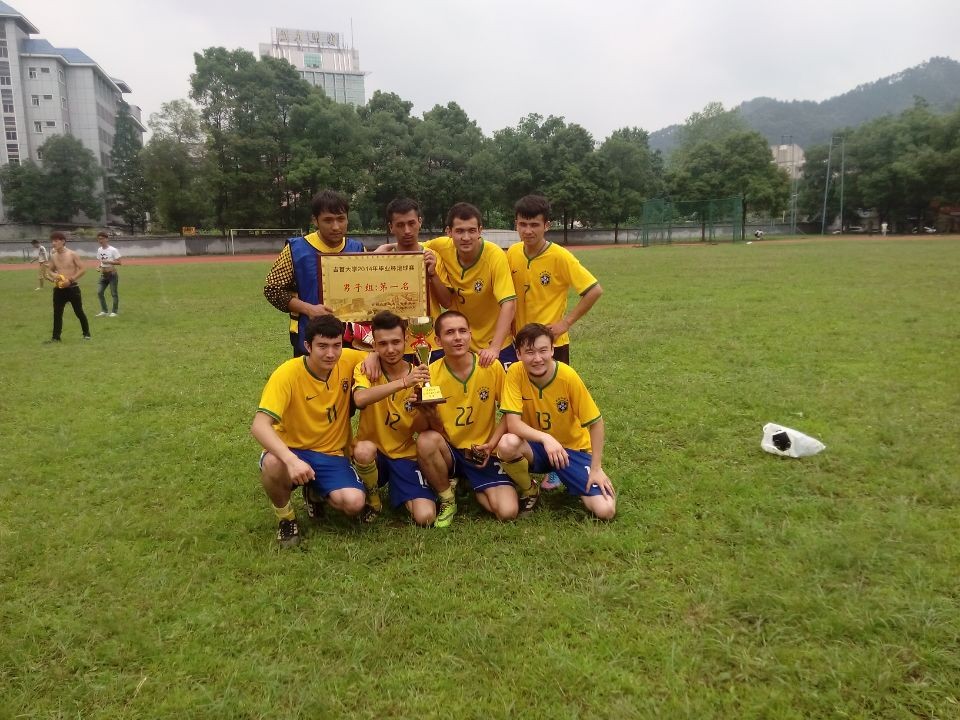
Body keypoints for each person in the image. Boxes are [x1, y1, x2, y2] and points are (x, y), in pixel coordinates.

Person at [251, 314, 370, 547]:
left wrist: (373, 357)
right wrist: (291, 460)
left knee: (354, 503)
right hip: (291, 450)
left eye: (336, 346)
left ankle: (315, 491)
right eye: (322, 346)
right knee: (273, 463)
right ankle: (286, 519)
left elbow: (380, 354)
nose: (330, 354)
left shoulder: (348, 359)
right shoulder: (287, 373)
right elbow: (259, 425)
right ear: (307, 346)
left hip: (331, 453)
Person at [415, 310, 539, 528]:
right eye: (450, 332)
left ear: (470, 335)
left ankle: (471, 483)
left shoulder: (490, 367)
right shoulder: (429, 374)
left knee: (507, 512)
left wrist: (491, 444)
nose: (458, 337)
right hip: (449, 451)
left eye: (463, 331)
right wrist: (428, 412)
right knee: (426, 441)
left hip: (482, 451)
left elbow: (510, 412)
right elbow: (421, 428)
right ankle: (447, 497)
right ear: (437, 341)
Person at [499, 323, 617, 520]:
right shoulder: (515, 372)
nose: (537, 358)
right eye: (529, 352)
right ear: (518, 354)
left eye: (543, 350)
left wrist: (596, 468)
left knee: (605, 510)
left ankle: (565, 473)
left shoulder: (567, 376)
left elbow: (596, 423)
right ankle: (530, 489)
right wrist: (546, 439)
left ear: (553, 350)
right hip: (537, 448)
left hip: (572, 450)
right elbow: (513, 424)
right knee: (507, 444)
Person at [352, 311, 435, 525]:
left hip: (404, 454)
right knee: (363, 450)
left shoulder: (419, 374)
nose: (390, 350)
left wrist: (424, 410)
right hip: (373, 455)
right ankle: (373, 500)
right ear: (374, 345)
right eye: (383, 344)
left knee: (425, 517)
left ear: (406, 340)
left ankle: (402, 487)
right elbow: (360, 399)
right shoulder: (367, 368)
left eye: (396, 342)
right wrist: (403, 383)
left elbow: (422, 428)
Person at [263, 189, 366, 356]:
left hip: (351, 338)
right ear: (315, 220)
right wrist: (309, 309)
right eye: (328, 220)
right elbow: (273, 289)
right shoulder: (296, 249)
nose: (336, 227)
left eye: (341, 219)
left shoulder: (358, 249)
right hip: (310, 337)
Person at [506, 195, 602, 366]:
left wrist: (566, 323)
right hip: (520, 342)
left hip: (551, 343)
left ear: (546, 226)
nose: (528, 231)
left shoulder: (560, 256)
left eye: (534, 225)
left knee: (555, 384)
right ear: (516, 225)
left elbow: (594, 290)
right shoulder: (513, 252)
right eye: (523, 224)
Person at [421, 203, 516, 368]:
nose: (466, 237)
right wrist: (385, 249)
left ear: (480, 231)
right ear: (449, 232)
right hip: (462, 345)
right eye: (459, 231)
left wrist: (495, 348)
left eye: (472, 230)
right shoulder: (441, 246)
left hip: (495, 345)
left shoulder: (494, 255)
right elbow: (412, 247)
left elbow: (509, 303)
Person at [376, 198, 453, 362]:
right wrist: (373, 260)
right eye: (400, 225)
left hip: (433, 344)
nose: (407, 230)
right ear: (391, 227)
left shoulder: (433, 256)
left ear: (420, 222)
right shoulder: (382, 260)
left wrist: (433, 275)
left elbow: (447, 303)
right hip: (395, 346)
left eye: (411, 223)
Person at [44, 231, 90, 343]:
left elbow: (83, 269)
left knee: (78, 312)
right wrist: (54, 275)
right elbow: (49, 270)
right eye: (52, 241)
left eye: (56, 241)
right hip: (59, 289)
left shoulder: (72, 254)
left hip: (72, 288)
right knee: (57, 313)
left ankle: (86, 334)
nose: (53, 243)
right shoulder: (53, 256)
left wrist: (70, 280)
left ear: (63, 241)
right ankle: (56, 338)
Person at [94, 231, 122, 317]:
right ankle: (104, 311)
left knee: (114, 293)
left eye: (102, 239)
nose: (100, 241)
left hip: (112, 274)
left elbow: (119, 262)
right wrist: (99, 266)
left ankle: (114, 312)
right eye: (99, 239)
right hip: (103, 275)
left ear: (107, 239)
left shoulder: (113, 250)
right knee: (99, 292)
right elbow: (101, 261)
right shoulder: (99, 250)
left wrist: (108, 261)